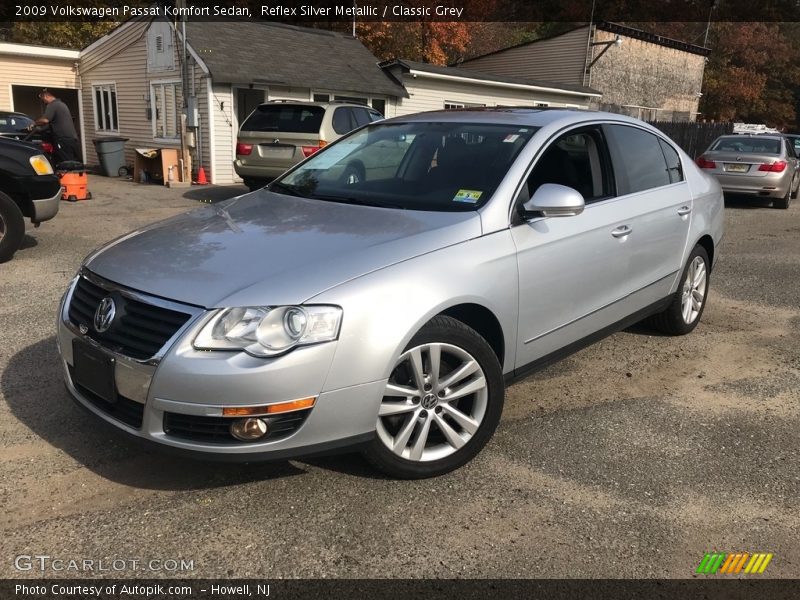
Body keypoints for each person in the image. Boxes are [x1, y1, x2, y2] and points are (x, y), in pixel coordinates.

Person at [31, 88, 80, 165]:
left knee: (66, 164)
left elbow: (45, 120)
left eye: (42, 100)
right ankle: (75, 176)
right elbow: (52, 124)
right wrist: (39, 129)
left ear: (46, 96)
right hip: (72, 138)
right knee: (73, 163)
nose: (43, 102)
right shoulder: (62, 104)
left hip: (62, 139)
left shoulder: (53, 105)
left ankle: (67, 176)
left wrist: (33, 123)